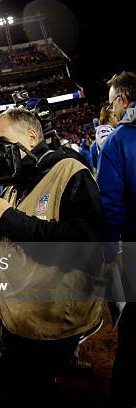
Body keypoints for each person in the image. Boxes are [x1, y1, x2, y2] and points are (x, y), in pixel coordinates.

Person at [0, 108, 103, 407]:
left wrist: (9, 220)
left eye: (0, 140)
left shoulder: (69, 170)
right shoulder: (14, 186)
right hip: (17, 320)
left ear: (31, 136)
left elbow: (85, 249)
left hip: (51, 327)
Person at [97, 71, 136, 408]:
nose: (112, 110)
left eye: (112, 104)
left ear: (124, 100)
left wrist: (108, 253)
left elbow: (110, 206)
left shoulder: (119, 140)